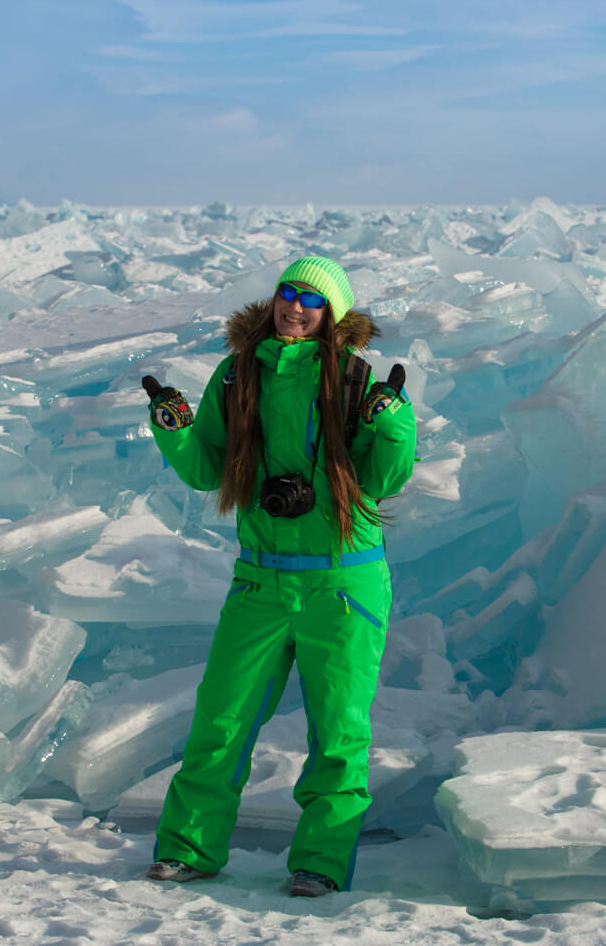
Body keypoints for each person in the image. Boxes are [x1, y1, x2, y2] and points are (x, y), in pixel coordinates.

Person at [140, 255, 416, 897]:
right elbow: (207, 467)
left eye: (312, 300)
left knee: (339, 731)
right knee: (222, 719)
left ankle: (319, 863)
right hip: (260, 581)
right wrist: (173, 430)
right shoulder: (238, 374)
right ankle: (189, 849)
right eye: (287, 293)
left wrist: (393, 422)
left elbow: (382, 480)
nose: (295, 307)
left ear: (332, 315)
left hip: (343, 584)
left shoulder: (354, 380)